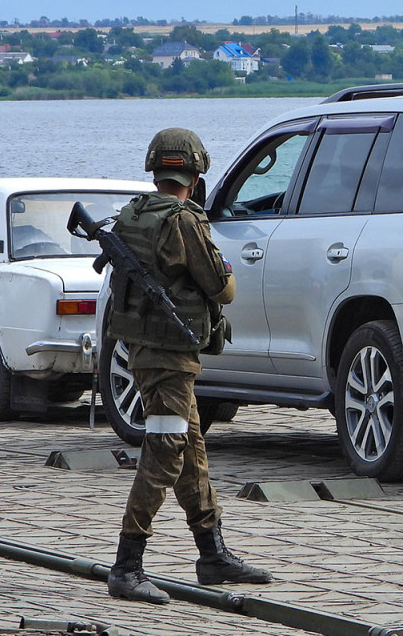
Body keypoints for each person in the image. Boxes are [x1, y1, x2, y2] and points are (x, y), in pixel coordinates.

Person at [105, 127, 273, 605]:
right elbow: (222, 288)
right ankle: (127, 564)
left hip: (144, 350)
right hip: (169, 357)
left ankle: (212, 554)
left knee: (191, 450)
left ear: (157, 171)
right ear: (195, 177)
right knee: (166, 450)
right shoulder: (183, 221)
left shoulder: (133, 214)